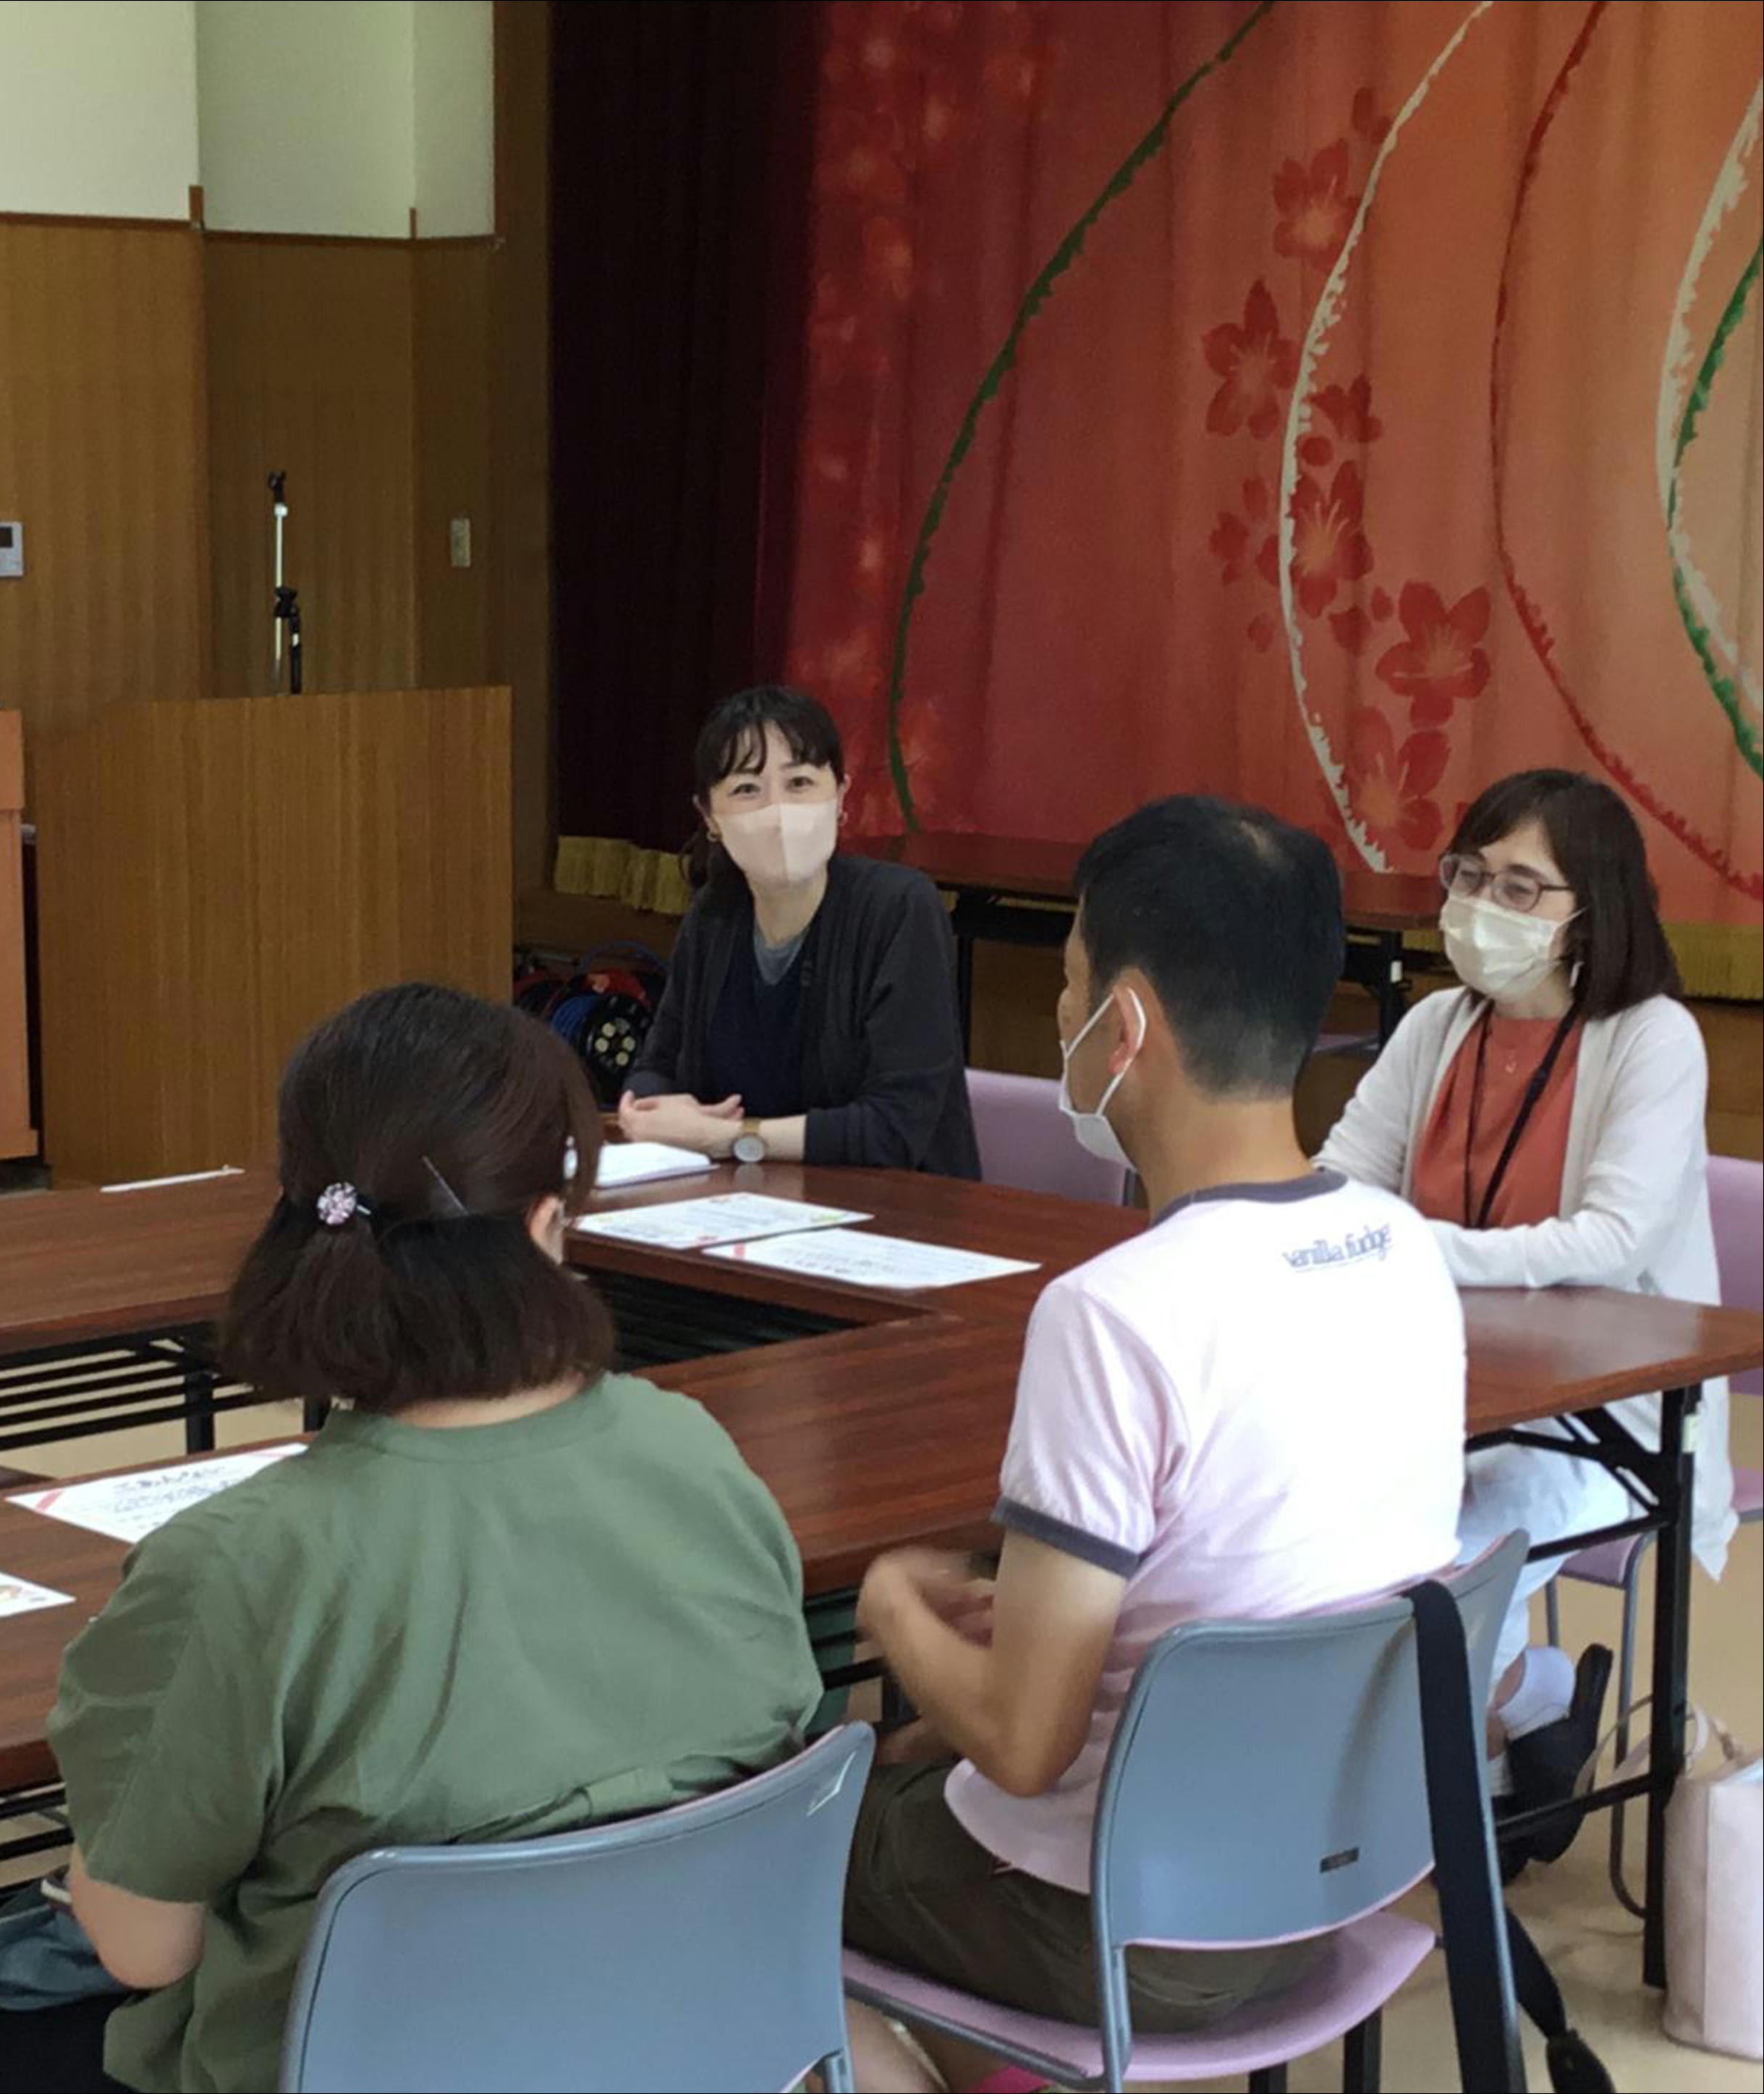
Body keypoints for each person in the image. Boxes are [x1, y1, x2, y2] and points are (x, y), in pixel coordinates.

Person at [0, 984, 826, 2094]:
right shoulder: (695, 1452)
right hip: (683, 2048)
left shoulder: (239, 1561)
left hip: (363, 2063)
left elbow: (144, 1948)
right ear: (547, 1226)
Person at [841, 799, 1467, 2094]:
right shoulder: (1404, 1247)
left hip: (1115, 1920)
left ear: (1120, 1026)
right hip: (1325, 1876)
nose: (1059, 1012)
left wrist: (892, 1603)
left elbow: (1023, 1743)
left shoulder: (1116, 1311)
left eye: (1068, 983)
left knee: (736, 1847)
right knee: (904, 1766)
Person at [1318, 768, 1731, 1838]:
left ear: (1589, 913)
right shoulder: (1437, 1024)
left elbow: (1611, 1240)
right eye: (1469, 875)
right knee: (1302, 1506)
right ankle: (1519, 1720)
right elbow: (1340, 1177)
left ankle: (1469, 1790)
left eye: (1518, 887)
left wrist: (1409, 1249)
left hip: (1605, 1415)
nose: (1479, 905)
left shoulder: (1651, 1038)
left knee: (1452, 1540)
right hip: (1436, 1387)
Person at [617, 686, 980, 1177]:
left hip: (896, 1203)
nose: (778, 813)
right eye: (747, 790)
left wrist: (731, 1138)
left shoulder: (898, 908)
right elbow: (656, 1067)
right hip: (744, 1197)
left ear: (840, 796)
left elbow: (895, 1129)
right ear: (709, 817)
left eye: (800, 783)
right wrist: (646, 1110)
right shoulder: (714, 915)